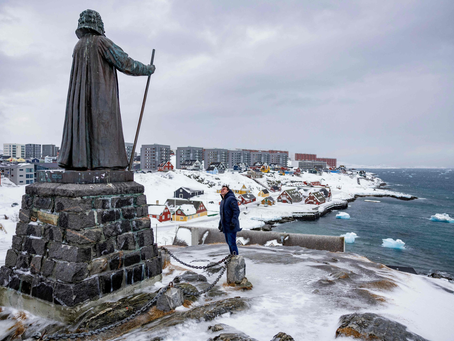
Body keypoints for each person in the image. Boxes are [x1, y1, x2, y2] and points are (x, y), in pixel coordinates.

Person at [58, 9, 155, 170]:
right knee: (103, 127)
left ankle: (82, 162)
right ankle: (105, 162)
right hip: (100, 97)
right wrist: (148, 69)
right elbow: (125, 63)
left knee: (85, 126)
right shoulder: (101, 42)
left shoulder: (78, 46)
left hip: (81, 100)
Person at [219, 184, 242, 255]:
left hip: (231, 225)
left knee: (232, 242)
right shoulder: (223, 201)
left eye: (224, 189)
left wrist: (233, 222)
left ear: (228, 191)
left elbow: (236, 211)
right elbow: (223, 214)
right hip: (226, 226)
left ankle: (236, 257)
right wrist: (220, 224)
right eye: (222, 189)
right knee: (229, 242)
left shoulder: (231, 198)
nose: (222, 190)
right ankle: (232, 255)